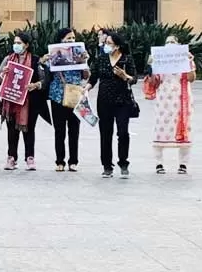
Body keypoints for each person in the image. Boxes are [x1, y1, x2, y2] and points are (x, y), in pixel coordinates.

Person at [148, 33, 196, 175]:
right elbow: (153, 82)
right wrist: (151, 67)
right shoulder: (161, 59)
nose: (170, 44)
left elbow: (191, 79)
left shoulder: (185, 59)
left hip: (182, 99)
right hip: (164, 100)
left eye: (173, 42)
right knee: (160, 128)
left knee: (184, 128)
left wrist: (189, 64)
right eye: (168, 42)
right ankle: (159, 163)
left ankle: (183, 164)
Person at [90, 28, 136, 178]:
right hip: (104, 100)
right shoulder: (102, 58)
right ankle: (107, 165)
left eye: (109, 43)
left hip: (122, 100)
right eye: (105, 43)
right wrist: (87, 87)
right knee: (105, 133)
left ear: (117, 46)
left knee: (123, 132)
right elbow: (94, 77)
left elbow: (133, 79)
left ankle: (123, 162)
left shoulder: (126, 59)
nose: (106, 46)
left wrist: (124, 76)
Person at [0, 32, 46, 171]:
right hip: (11, 99)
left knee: (29, 129)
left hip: (30, 101)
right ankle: (11, 157)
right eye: (15, 42)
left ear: (26, 45)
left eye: (19, 43)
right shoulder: (9, 59)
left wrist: (35, 85)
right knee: (11, 131)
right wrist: (4, 73)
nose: (16, 45)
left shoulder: (35, 60)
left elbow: (45, 79)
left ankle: (30, 157)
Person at [47, 27, 91, 172]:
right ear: (61, 40)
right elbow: (47, 72)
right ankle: (60, 161)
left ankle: (73, 161)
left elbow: (86, 76)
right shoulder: (55, 53)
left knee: (74, 129)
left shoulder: (79, 53)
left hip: (74, 95)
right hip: (57, 95)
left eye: (73, 38)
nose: (71, 40)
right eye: (68, 38)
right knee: (59, 130)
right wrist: (46, 60)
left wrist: (85, 62)